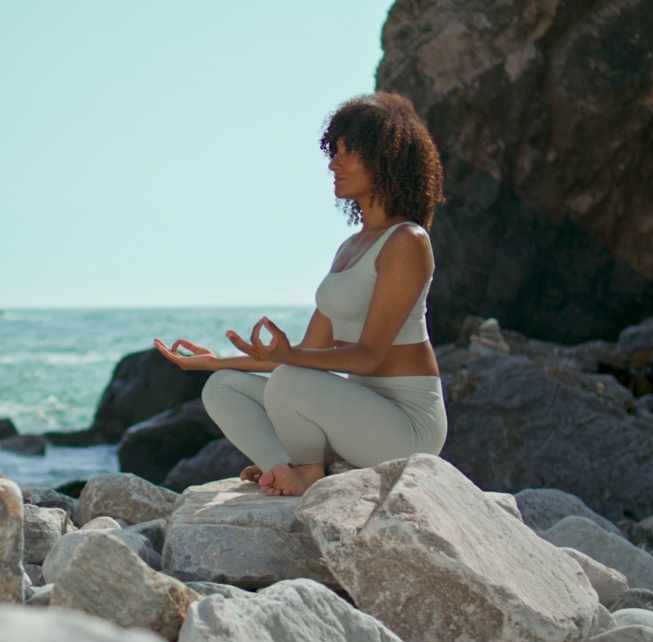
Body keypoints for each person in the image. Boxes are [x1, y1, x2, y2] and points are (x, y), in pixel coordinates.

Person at [153, 92, 447, 497]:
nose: (333, 164)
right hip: (352, 413)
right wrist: (214, 361)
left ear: (386, 158)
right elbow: (311, 351)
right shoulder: (350, 247)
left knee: (291, 380)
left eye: (348, 153)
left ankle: (308, 473)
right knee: (222, 387)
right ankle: (284, 468)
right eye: (334, 152)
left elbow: (367, 357)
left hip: (405, 426)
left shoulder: (407, 241)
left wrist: (289, 358)